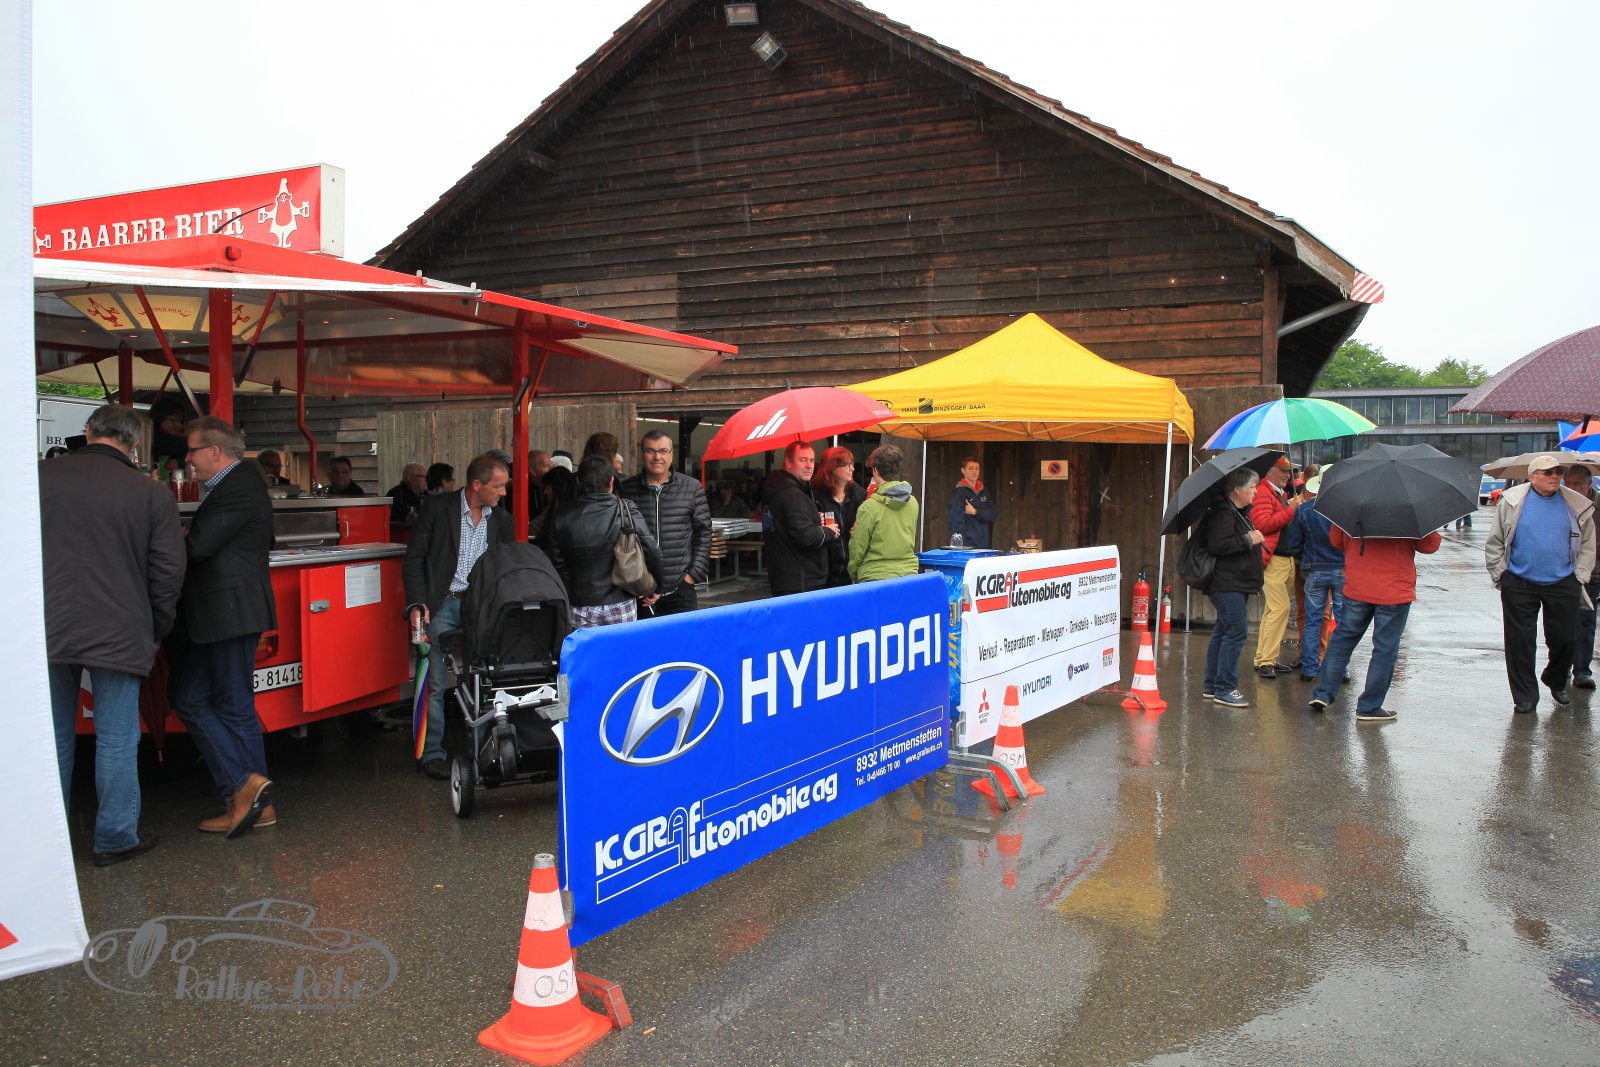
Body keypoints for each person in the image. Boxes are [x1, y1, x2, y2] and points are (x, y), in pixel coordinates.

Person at [41, 405, 185, 866]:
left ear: (88, 432)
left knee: (52, 736)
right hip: (122, 626)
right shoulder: (151, 493)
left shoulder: (38, 478)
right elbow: (167, 573)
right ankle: (115, 837)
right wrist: (157, 626)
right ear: (135, 443)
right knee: (117, 737)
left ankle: (46, 843)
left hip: (47, 623)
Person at [176, 416, 277, 836]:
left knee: (232, 707)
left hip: (229, 614)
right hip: (221, 615)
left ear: (214, 451)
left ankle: (255, 801)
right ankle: (246, 789)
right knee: (190, 700)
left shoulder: (237, 486)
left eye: (192, 450)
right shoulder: (237, 485)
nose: (187, 459)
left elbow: (199, 546)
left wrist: (180, 534)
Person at [403, 454, 513, 779]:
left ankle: (483, 751)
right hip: (441, 604)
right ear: (477, 485)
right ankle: (431, 755)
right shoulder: (437, 508)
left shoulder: (501, 520)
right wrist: (417, 603)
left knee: (482, 679)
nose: (504, 492)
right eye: (498, 486)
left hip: (479, 607)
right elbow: (414, 559)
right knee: (435, 682)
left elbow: (506, 568)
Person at [1485, 453, 1596, 714]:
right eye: (1548, 473)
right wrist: (1501, 574)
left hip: (1563, 581)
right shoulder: (1512, 501)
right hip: (1519, 581)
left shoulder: (1576, 504)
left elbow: (1588, 543)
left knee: (1567, 639)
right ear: (1532, 477)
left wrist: (1580, 575)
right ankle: (1525, 697)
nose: (1555, 477)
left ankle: (1555, 679)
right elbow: (1495, 541)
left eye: (1558, 472)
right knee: (1520, 642)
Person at [1308, 525, 1441, 722]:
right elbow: (1429, 545)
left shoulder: (1353, 509)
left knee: (1342, 641)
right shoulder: (1409, 514)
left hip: (1358, 585)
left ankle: (1323, 694)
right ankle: (1369, 707)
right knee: (1384, 649)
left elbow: (1336, 541)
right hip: (1394, 589)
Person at [546, 455, 663, 627]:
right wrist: (656, 586)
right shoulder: (626, 509)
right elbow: (652, 549)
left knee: (587, 646)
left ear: (578, 481)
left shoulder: (561, 516)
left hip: (581, 604)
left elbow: (557, 564)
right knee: (622, 645)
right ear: (611, 482)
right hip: (621, 601)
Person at [619, 431, 710, 616]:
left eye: (663, 451)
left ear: (671, 454)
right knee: (645, 636)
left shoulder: (692, 488)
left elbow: (704, 533)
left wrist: (692, 575)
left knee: (684, 636)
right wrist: (633, 581)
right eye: (650, 451)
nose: (657, 457)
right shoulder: (627, 489)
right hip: (641, 589)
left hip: (681, 588)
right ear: (642, 453)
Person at [1200, 468, 1265, 708]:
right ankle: (1225, 688)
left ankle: (1212, 685)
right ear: (1237, 490)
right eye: (1251, 487)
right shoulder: (1223, 512)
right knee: (1236, 631)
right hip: (1226, 582)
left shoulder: (1237, 512)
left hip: (1236, 581)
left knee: (1223, 630)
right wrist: (1249, 539)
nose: (1255, 491)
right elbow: (1218, 545)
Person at [1278, 473, 1345, 681]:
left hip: (1314, 569)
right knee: (1343, 622)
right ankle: (1340, 668)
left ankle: (1309, 667)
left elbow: (1295, 543)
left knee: (1312, 619)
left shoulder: (1305, 510)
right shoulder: (1346, 510)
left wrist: (1305, 560)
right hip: (1342, 569)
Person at [762, 442, 838, 596]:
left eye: (812, 460)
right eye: (803, 460)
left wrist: (813, 520)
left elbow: (791, 525)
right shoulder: (793, 495)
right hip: (802, 580)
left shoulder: (779, 489)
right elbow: (805, 536)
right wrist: (828, 531)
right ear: (788, 463)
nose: (809, 466)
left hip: (786, 577)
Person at [1250, 455, 1303, 679]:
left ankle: (1265, 657)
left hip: (1285, 558)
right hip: (1273, 559)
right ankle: (1266, 661)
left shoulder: (1279, 493)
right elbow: (1262, 525)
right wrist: (1291, 509)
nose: (1287, 475)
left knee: (1273, 610)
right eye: (1283, 470)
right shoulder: (1263, 492)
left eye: (1289, 471)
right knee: (1280, 608)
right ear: (1270, 471)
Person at [848, 445, 919, 582]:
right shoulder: (912, 502)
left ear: (875, 470)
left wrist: (853, 572)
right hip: (908, 574)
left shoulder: (868, 507)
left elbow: (857, 548)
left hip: (874, 576)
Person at [1563, 463, 1600, 689]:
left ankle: (1582, 671)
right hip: (1561, 572)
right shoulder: (1560, 504)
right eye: (1568, 483)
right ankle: (1562, 666)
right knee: (1562, 621)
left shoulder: (1596, 506)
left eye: (1577, 483)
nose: (1572, 488)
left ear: (1589, 484)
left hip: (1592, 573)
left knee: (1585, 620)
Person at [811, 446, 866, 587]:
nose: (852, 468)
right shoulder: (814, 497)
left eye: (851, 464)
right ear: (831, 468)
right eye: (846, 465)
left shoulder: (860, 496)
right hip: (825, 574)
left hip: (854, 572)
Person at [947, 457, 996, 548]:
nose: (974, 472)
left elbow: (993, 514)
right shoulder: (959, 493)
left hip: (984, 545)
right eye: (971, 468)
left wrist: (975, 512)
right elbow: (955, 521)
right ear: (963, 470)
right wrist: (960, 545)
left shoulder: (983, 492)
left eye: (976, 468)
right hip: (968, 546)